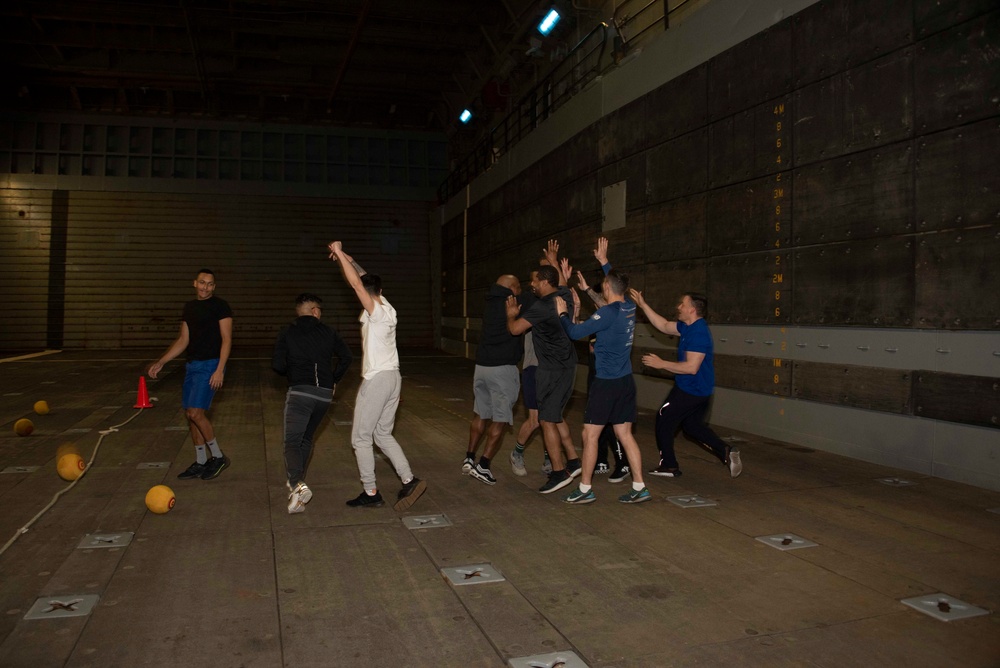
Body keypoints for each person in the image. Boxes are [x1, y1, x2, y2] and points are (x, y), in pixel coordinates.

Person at [328, 241, 427, 511]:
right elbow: (362, 279)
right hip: (394, 378)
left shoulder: (376, 311)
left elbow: (358, 285)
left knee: (361, 438)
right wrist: (344, 258)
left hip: (379, 380)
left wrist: (337, 252)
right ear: (381, 291)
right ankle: (409, 479)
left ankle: (371, 492)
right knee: (382, 434)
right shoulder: (388, 307)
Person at [555, 239, 650, 504]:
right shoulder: (629, 307)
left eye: (603, 285)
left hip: (606, 384)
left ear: (607, 287)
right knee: (625, 434)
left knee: (589, 435)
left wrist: (563, 313)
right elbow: (617, 282)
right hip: (625, 382)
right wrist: (603, 261)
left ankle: (585, 489)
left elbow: (574, 332)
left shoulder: (607, 313)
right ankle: (640, 485)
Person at [630, 290, 743, 479]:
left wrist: (662, 364)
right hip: (701, 390)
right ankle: (726, 450)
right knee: (692, 427)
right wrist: (643, 305)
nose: (678, 307)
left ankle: (669, 465)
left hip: (691, 389)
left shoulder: (699, 334)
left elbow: (691, 367)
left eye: (682, 304)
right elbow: (664, 326)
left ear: (692, 310)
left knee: (664, 417)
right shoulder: (687, 326)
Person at [272, 293, 353, 513]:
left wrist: (294, 368)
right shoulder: (329, 332)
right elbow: (347, 357)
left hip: (300, 393)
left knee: (291, 441)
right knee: (306, 438)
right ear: (315, 311)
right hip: (324, 395)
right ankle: (299, 489)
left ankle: (297, 483)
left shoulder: (287, 332)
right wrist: (334, 379)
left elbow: (277, 366)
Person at [149, 268, 232, 481]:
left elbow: (226, 339)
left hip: (210, 365)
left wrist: (220, 369)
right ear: (194, 283)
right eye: (202, 282)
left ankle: (218, 456)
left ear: (214, 286)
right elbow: (183, 340)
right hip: (192, 366)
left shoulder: (220, 306)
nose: (206, 287)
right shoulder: (190, 308)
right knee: (190, 415)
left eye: (210, 284)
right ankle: (201, 461)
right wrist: (162, 361)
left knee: (196, 413)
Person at [505, 263, 581, 494]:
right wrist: (554, 259)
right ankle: (574, 461)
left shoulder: (541, 306)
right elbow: (564, 283)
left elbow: (516, 329)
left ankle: (558, 472)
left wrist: (511, 315)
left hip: (550, 371)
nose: (532, 285)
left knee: (546, 420)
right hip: (569, 366)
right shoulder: (563, 295)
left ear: (546, 282)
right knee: (555, 416)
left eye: (535, 281)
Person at [465, 275, 523, 485]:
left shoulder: (489, 300)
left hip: (481, 367)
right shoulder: (512, 303)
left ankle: (469, 458)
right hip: (502, 369)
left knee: (480, 413)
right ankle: (484, 465)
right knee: (499, 419)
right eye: (518, 287)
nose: (521, 290)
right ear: (511, 289)